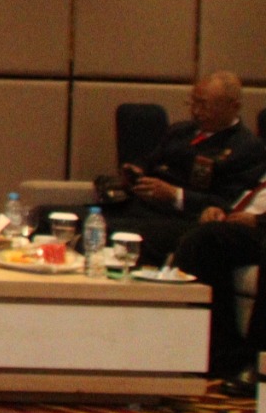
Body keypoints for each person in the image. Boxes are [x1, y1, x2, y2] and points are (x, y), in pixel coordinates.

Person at [111, 72, 266, 266]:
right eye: (193, 103)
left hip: (185, 218)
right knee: (85, 219)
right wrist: (135, 172)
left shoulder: (247, 147)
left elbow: (227, 202)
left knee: (124, 234)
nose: (196, 111)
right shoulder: (180, 131)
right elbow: (149, 163)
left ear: (233, 107)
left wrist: (175, 194)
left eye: (204, 105)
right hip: (145, 207)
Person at [182, 178, 264, 392]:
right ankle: (214, 356)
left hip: (260, 226)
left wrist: (258, 220)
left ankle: (257, 362)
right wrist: (221, 211)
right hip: (251, 226)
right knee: (206, 239)